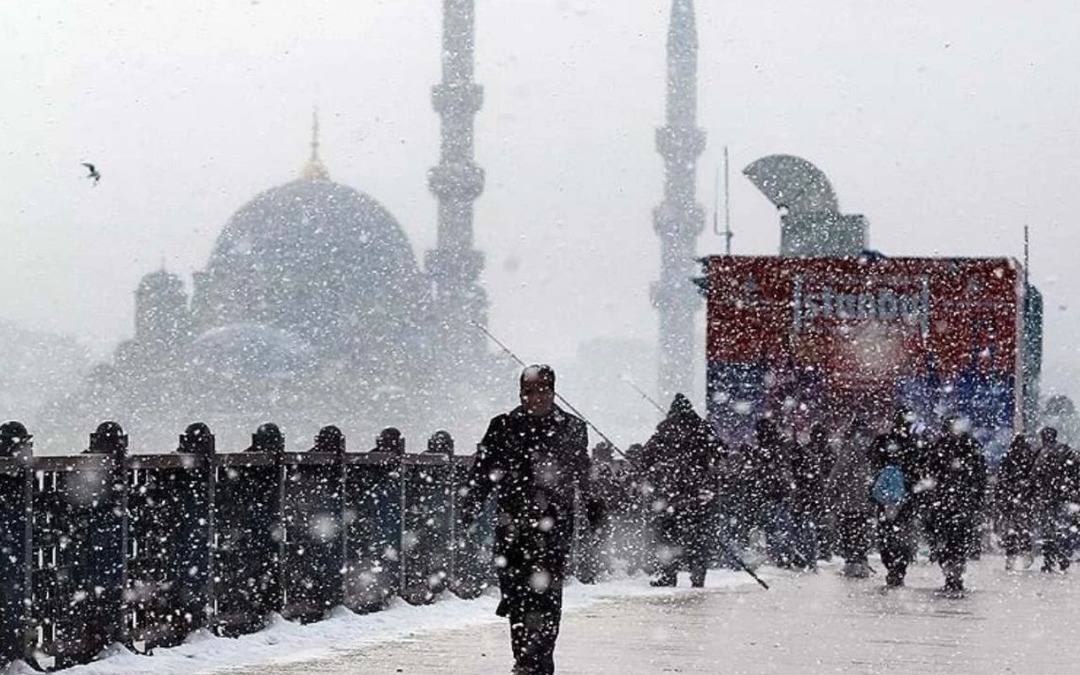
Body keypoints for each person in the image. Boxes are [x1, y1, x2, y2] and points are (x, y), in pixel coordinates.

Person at [459, 365, 597, 675]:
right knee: (516, 593)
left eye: (542, 391)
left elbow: (583, 472)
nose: (535, 398)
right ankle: (525, 655)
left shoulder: (572, 428)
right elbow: (483, 472)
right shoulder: (503, 426)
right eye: (528, 392)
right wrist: (471, 505)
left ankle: (537, 659)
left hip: (553, 527)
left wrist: (594, 507)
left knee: (546, 596)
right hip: (513, 526)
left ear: (553, 392)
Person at [640, 393, 723, 587]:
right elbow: (720, 451)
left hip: (671, 493)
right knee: (698, 536)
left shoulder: (665, 430)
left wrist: (658, 468)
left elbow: (646, 456)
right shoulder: (704, 429)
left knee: (667, 535)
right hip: (698, 493)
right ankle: (698, 575)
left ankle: (668, 574)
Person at [921, 419, 987, 596]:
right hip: (954, 502)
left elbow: (929, 473)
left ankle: (953, 573)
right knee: (954, 540)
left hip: (951, 502)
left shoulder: (945, 447)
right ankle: (953, 573)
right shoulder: (963, 447)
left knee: (951, 540)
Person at [868, 407, 923, 588]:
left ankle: (893, 566)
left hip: (885, 499)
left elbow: (872, 463)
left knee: (886, 535)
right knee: (901, 536)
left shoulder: (883, 441)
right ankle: (898, 569)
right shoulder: (914, 444)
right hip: (905, 498)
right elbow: (919, 471)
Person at [827, 418, 876, 578]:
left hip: (849, 500)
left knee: (849, 531)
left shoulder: (849, 449)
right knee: (861, 531)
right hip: (866, 500)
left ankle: (853, 563)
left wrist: (832, 491)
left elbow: (837, 474)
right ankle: (861, 561)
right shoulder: (871, 449)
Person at [1032, 427, 1080, 573]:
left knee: (1048, 529)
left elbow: (1035, 475)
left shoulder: (1043, 453)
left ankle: (1050, 560)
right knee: (1063, 528)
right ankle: (1062, 555)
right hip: (1064, 496)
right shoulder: (1067, 451)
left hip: (1048, 497)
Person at [996, 434, 1038, 570]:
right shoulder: (1030, 457)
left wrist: (1002, 495)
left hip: (1011, 498)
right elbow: (1034, 478)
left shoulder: (1008, 457)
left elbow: (1002, 479)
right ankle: (1025, 553)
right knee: (1023, 528)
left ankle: (1011, 556)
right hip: (1024, 498)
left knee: (1011, 529)